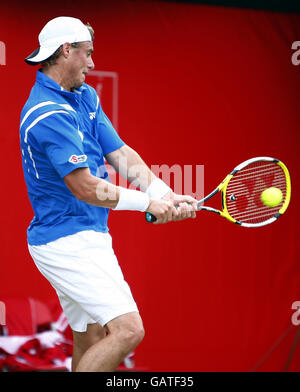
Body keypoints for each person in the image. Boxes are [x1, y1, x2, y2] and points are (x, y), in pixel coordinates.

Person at [20, 16, 197, 372]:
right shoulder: (46, 113)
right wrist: (148, 204)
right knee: (129, 330)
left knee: (90, 337)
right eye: (87, 53)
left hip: (89, 235)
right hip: (66, 242)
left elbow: (119, 153)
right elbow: (85, 187)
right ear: (66, 50)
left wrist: (164, 193)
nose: (92, 62)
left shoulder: (84, 96)